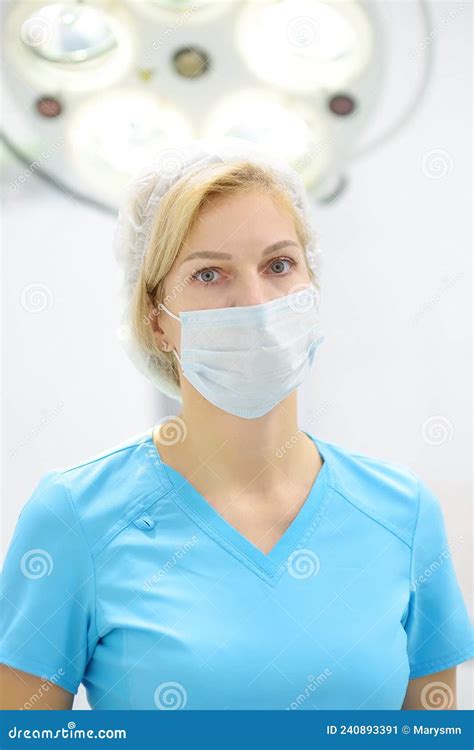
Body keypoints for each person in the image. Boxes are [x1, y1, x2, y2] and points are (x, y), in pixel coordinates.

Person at [0, 138, 472, 711]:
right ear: (157, 321)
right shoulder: (76, 516)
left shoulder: (402, 513)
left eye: (278, 265)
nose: (253, 300)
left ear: (311, 284)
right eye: (209, 275)